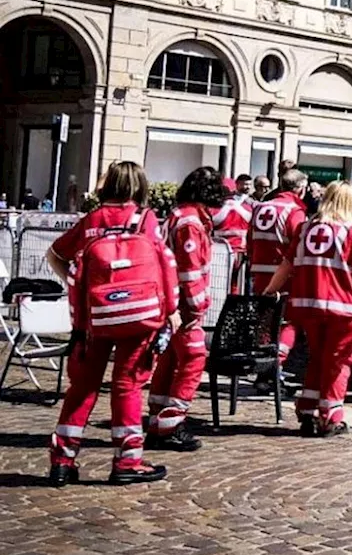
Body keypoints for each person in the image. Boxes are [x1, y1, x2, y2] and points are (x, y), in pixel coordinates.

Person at [45, 161, 177, 486]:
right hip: (139, 315)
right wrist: (171, 311)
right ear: (140, 187)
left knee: (84, 386)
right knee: (127, 385)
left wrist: (80, 287)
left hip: (96, 318)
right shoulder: (146, 220)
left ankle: (62, 460)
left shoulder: (92, 220)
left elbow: (55, 254)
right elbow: (163, 264)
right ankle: (127, 461)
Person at [262, 181, 352, 437]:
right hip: (344, 308)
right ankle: (331, 416)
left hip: (307, 306)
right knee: (339, 363)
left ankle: (307, 410)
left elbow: (286, 265)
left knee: (317, 358)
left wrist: (269, 291)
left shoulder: (305, 229)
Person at [146, 167, 223, 452]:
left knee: (168, 361)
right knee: (192, 358)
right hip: (183, 307)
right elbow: (189, 272)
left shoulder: (180, 216)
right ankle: (171, 424)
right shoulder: (191, 222)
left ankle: (158, 418)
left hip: (170, 304)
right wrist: (195, 309)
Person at [248, 169, 309, 368]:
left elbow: (249, 240)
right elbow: (298, 245)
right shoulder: (294, 210)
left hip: (259, 272)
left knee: (265, 321)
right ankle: (275, 365)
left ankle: (262, 363)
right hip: (284, 275)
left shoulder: (260, 207)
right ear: (300, 189)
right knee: (291, 321)